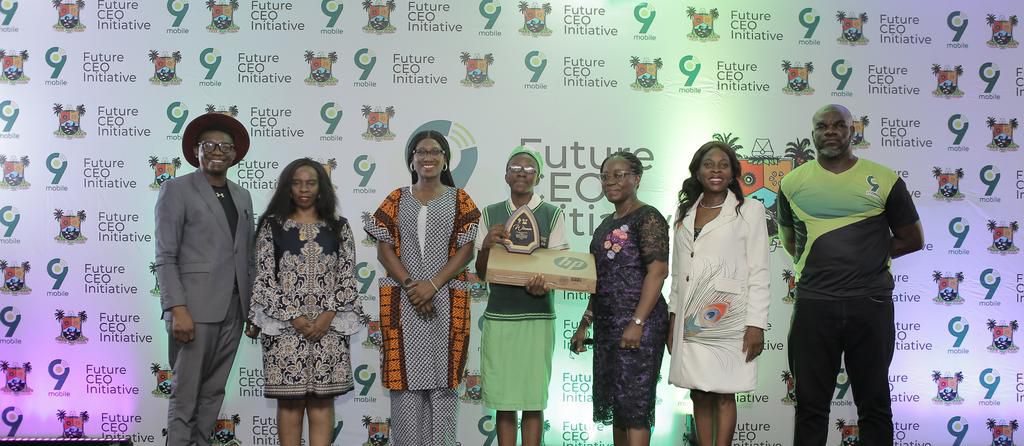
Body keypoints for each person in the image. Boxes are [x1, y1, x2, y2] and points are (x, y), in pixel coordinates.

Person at [779, 104, 924, 445]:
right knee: (810, 407)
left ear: (852, 131)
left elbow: (912, 239)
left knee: (874, 406)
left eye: (839, 125)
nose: (830, 131)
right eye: (822, 126)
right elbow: (790, 240)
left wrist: (868, 255)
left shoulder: (885, 179)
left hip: (869, 304)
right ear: (812, 133)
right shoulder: (792, 183)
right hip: (814, 305)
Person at [363, 130, 480, 446]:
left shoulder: (460, 200)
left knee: (444, 386)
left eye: (435, 151)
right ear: (411, 160)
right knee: (405, 387)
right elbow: (384, 249)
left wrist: (433, 285)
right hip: (404, 301)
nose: (428, 157)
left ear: (445, 160)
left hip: (447, 300)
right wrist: (413, 287)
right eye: (421, 151)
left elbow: (466, 251)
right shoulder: (396, 198)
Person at [155, 112, 259, 446]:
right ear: (196, 150)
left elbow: (247, 256)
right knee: (185, 396)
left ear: (234, 154)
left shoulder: (242, 195)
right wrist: (177, 308)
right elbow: (166, 256)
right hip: (194, 311)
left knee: (213, 394)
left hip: (234, 310)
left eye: (225, 146)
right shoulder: (176, 189)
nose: (217, 151)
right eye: (209, 145)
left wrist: (252, 309)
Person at [249, 158, 364, 446]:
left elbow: (347, 277)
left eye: (310, 183)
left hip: (329, 328)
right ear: (287, 188)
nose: (304, 189)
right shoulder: (271, 226)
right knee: (289, 403)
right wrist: (295, 317)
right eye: (297, 183)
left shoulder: (339, 226)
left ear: (321, 188)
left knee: (322, 402)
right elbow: (264, 279)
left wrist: (327, 315)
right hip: (284, 328)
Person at [666, 141, 770, 446]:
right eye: (708, 164)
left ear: (733, 172)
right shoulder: (684, 212)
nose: (716, 170)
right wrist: (673, 318)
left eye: (723, 165)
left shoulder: (750, 210)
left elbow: (760, 271)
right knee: (698, 392)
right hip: (691, 318)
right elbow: (677, 272)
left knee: (725, 393)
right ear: (697, 172)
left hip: (729, 316)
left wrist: (756, 324)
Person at [571, 151, 669, 446]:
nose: (610, 181)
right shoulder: (605, 225)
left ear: (637, 179)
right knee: (617, 404)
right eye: (605, 176)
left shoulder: (648, 217)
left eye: (619, 175)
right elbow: (598, 280)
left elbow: (658, 272)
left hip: (640, 325)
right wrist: (585, 323)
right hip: (608, 326)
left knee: (635, 405)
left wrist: (637, 322)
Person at [474, 147, 568, 446]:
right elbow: (481, 272)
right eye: (515, 168)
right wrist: (486, 246)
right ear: (506, 175)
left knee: (532, 398)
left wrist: (546, 283)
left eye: (529, 169)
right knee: (504, 399)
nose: (522, 173)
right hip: (500, 316)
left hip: (537, 317)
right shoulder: (489, 214)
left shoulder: (552, 214)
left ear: (538, 177)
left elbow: (558, 269)